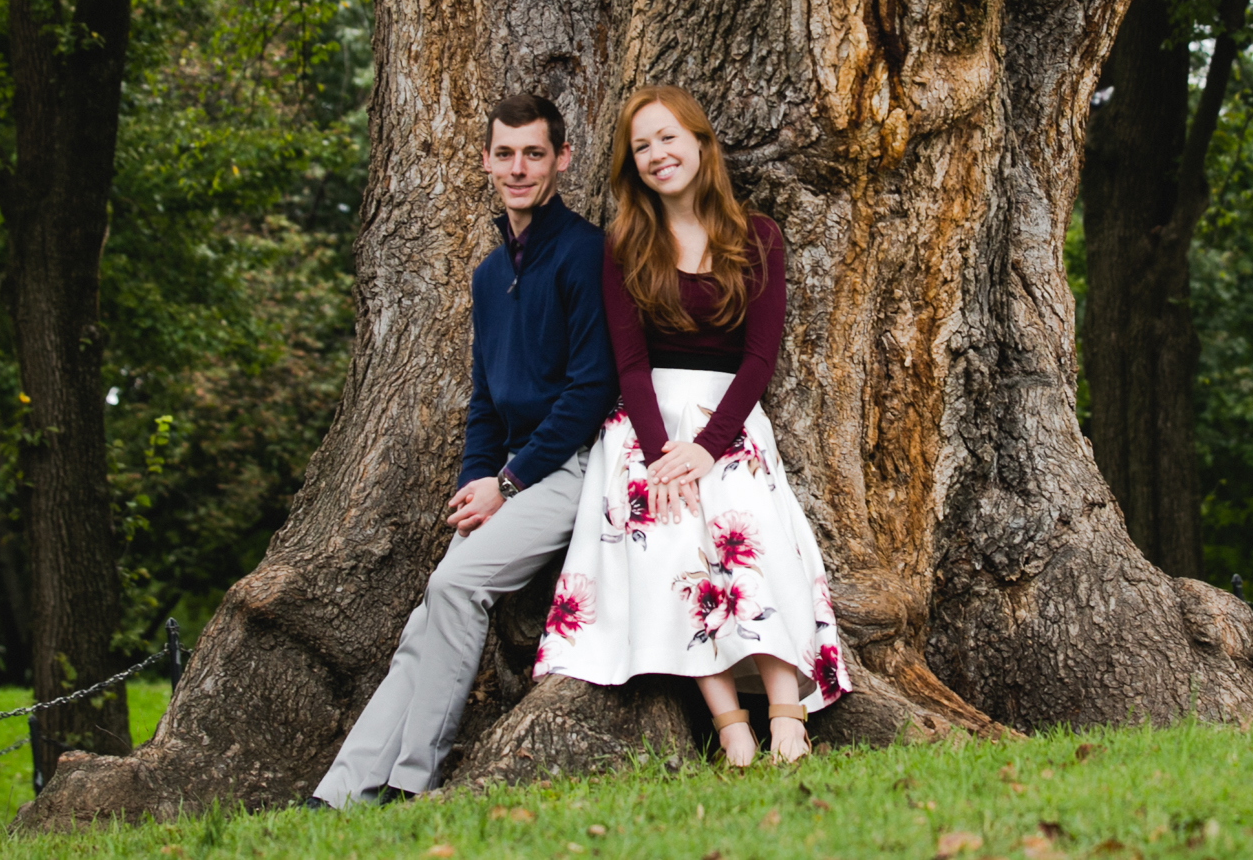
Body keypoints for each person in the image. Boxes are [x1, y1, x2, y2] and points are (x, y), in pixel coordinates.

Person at [305, 92, 615, 808]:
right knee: (427, 618)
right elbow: (484, 398)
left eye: (534, 153)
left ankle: (413, 779)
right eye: (504, 153)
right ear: (485, 160)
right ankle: (344, 788)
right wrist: (478, 478)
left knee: (453, 588)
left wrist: (506, 481)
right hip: (507, 478)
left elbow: (589, 390)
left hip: (568, 468)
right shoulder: (486, 273)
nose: (518, 167)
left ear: (561, 158)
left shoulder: (584, 253)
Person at [533, 85, 849, 766]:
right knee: (669, 543)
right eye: (641, 146)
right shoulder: (623, 244)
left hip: (727, 422)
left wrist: (707, 449)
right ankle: (730, 723)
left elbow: (760, 356)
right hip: (644, 427)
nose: (656, 154)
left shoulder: (757, 235)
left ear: (701, 144)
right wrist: (658, 456)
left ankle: (786, 707)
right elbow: (629, 361)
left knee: (746, 533)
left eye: (667, 137)